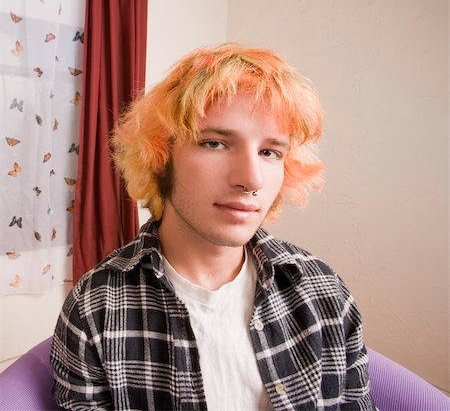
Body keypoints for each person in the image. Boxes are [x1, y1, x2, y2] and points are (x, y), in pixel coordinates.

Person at [51, 43, 377, 410]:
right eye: (215, 143)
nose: (251, 179)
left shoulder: (323, 291)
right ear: (159, 158)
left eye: (270, 152)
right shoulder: (97, 309)